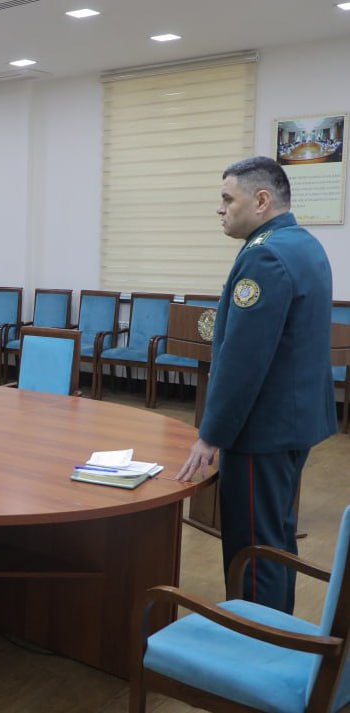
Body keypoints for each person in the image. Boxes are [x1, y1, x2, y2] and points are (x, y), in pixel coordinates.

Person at [176, 156, 336, 614]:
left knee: (252, 547)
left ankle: (256, 639)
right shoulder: (302, 244)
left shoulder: (264, 256)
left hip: (261, 430)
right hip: (293, 422)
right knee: (276, 537)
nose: (220, 209)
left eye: (228, 199)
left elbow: (243, 361)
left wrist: (211, 434)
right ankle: (277, 630)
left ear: (261, 200)